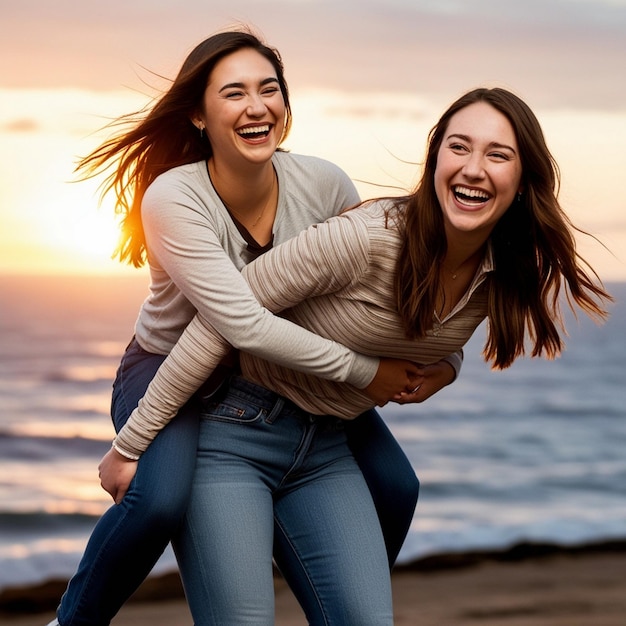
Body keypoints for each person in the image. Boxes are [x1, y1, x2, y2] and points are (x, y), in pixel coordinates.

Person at [100, 87, 612, 625]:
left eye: (498, 154)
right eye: (459, 147)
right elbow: (220, 321)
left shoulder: (502, 269)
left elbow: (442, 329)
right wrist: (130, 444)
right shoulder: (368, 238)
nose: (474, 168)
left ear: (523, 178)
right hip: (231, 431)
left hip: (325, 443)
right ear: (435, 158)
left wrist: (446, 370)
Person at [48, 28, 461, 626]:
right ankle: (73, 620)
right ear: (197, 113)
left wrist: (447, 363)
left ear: (287, 107)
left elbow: (384, 299)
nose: (256, 106)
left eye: (270, 90)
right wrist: (125, 448)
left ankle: (328, 573)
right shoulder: (174, 197)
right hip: (173, 368)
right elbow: (239, 322)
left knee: (397, 487)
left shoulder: (324, 184)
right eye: (234, 93)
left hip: (288, 374)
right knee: (159, 498)